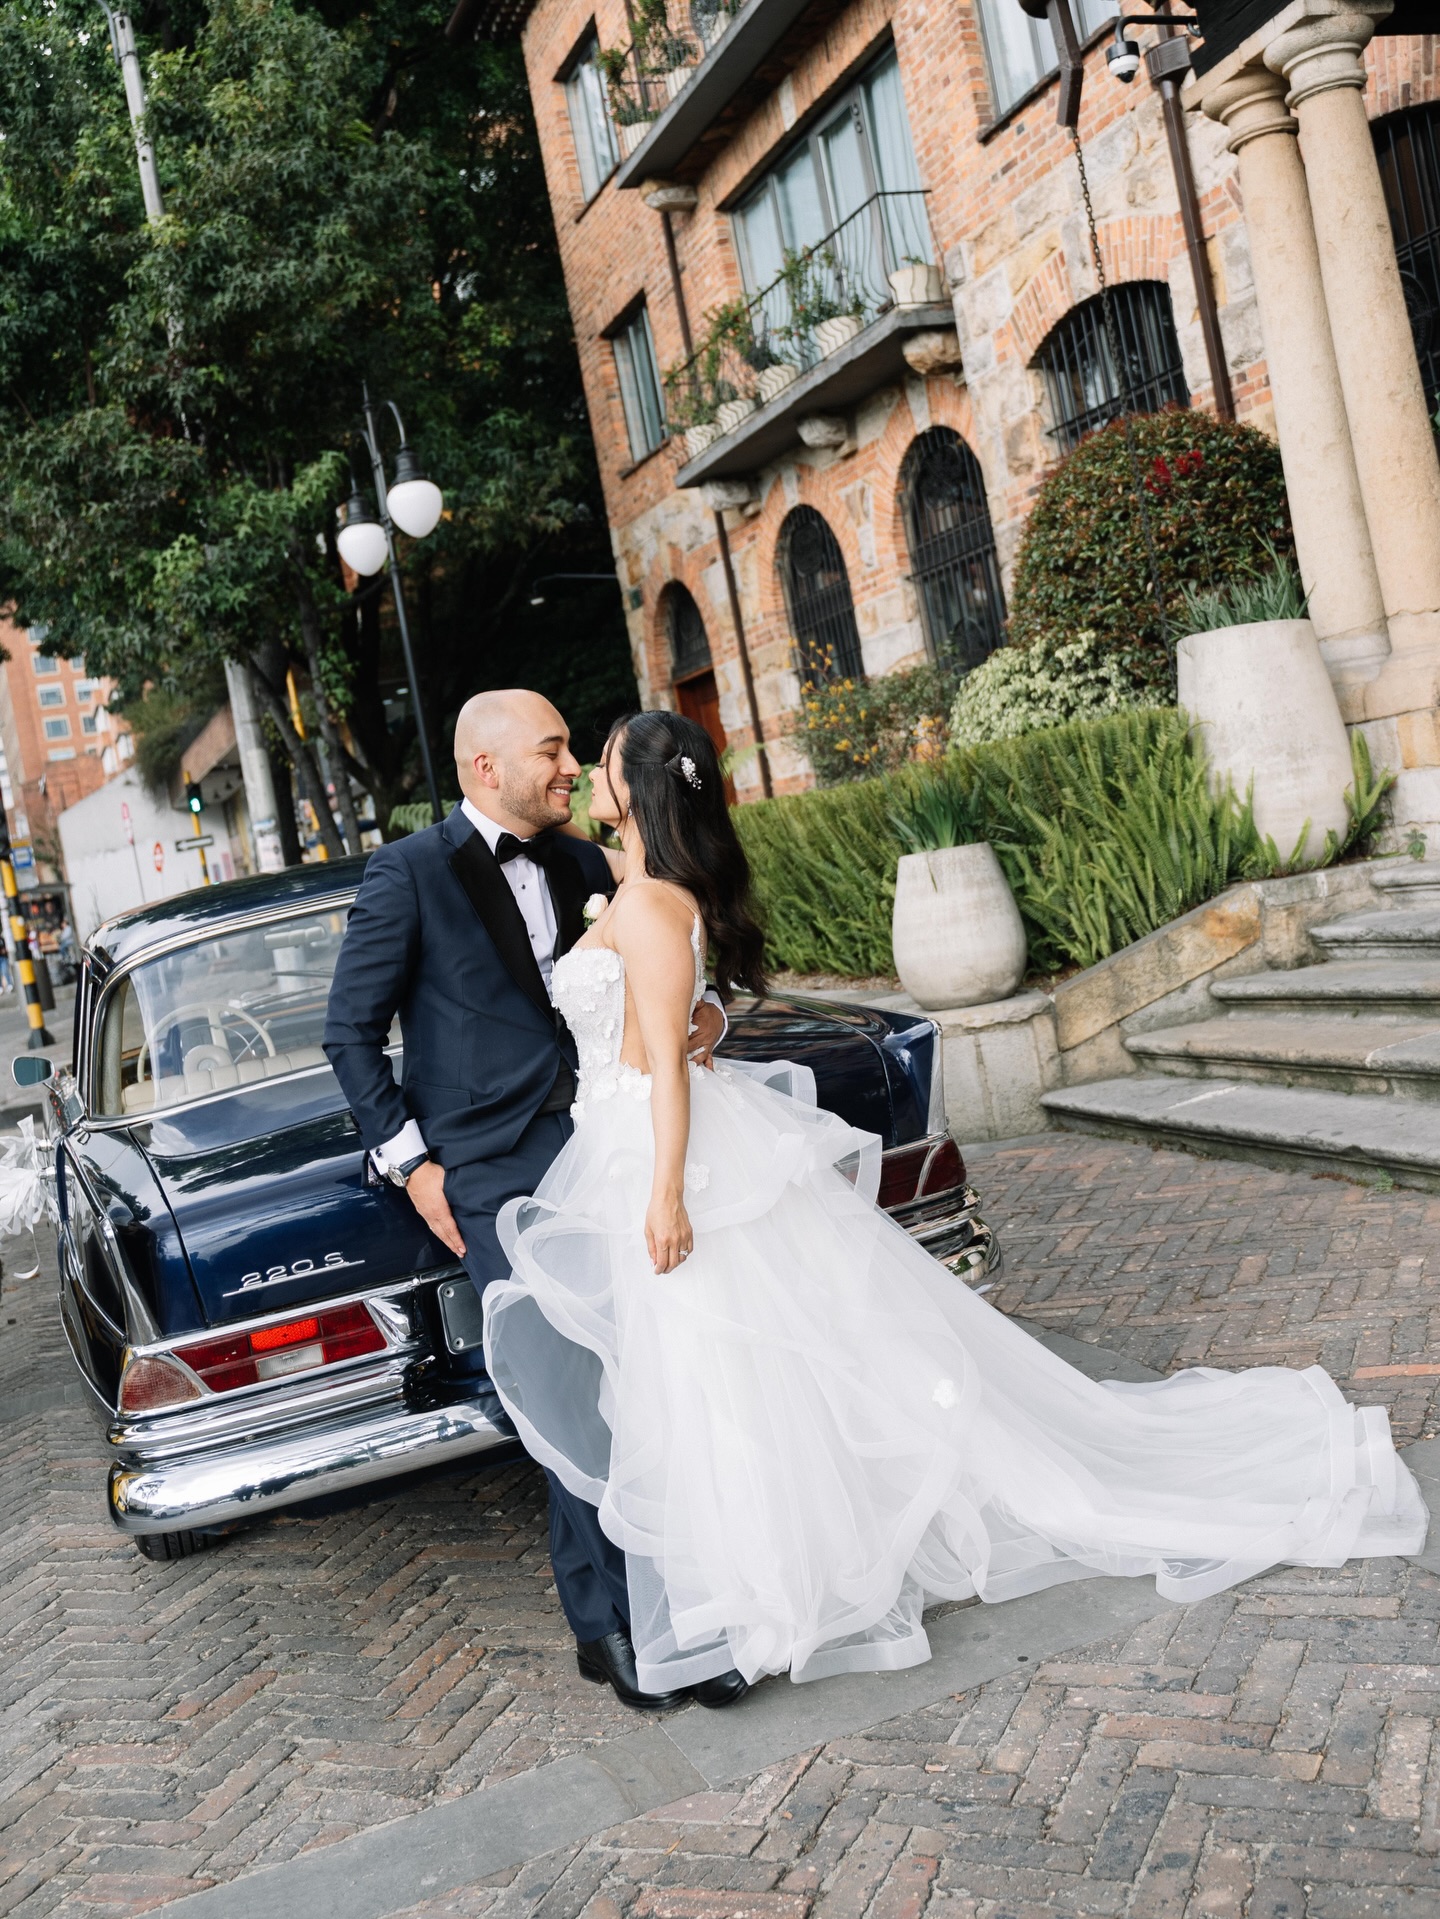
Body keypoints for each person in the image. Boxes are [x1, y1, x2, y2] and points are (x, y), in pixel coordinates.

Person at [483, 711, 1429, 1695]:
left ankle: (767, 1595)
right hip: (632, 1135)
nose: (584, 767)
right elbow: (684, 1027)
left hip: (659, 1149)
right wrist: (694, 1029)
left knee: (714, 1373)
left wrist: (668, 1192)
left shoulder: (647, 903)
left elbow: (671, 1067)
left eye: (596, 757)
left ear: (636, 783)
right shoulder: (639, 890)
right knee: (714, 1375)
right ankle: (758, 1584)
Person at [323, 689, 745, 1712]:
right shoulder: (408, 873)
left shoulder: (580, 861)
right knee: (564, 1391)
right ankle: (607, 1625)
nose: (568, 769)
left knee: (641, 1384)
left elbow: (651, 972)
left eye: (571, 754)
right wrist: (416, 1167)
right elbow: (348, 1032)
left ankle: (680, 1609)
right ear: (486, 768)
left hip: (600, 1145)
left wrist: (711, 1014)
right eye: (552, 752)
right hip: (495, 1173)